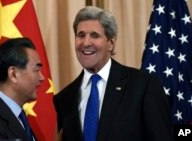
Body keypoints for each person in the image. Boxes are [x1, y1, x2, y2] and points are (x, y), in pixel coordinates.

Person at [53, 6, 173, 141]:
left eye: (95, 35)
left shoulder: (143, 86)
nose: (86, 43)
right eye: (80, 35)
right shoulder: (64, 99)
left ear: (111, 43)